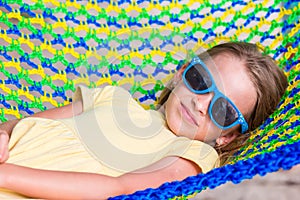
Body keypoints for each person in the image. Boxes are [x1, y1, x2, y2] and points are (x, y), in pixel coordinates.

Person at [0, 42, 288, 199]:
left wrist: (6, 176)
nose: (201, 104)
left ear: (227, 136)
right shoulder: (111, 99)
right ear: (182, 72)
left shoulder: (195, 155)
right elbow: (17, 125)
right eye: (200, 80)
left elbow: (117, 191)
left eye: (223, 110)